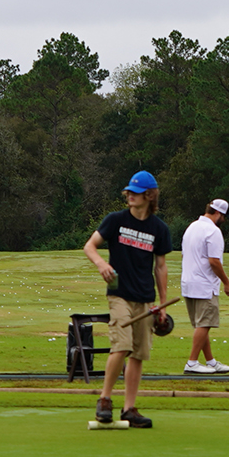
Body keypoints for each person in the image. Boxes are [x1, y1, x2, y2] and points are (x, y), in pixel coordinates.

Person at [82, 170, 172, 428]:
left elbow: (161, 267)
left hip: (144, 298)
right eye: (129, 192)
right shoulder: (115, 220)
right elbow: (90, 246)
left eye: (136, 192)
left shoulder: (159, 229)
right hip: (119, 293)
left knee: (138, 353)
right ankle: (104, 400)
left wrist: (162, 304)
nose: (130, 196)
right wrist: (101, 264)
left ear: (149, 196)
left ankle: (129, 409)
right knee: (121, 345)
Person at [181, 199, 229, 374]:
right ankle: (192, 362)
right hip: (204, 285)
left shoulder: (192, 227)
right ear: (218, 213)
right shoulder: (213, 231)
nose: (223, 220)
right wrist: (227, 283)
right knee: (204, 324)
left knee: (201, 325)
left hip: (188, 283)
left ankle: (211, 362)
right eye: (223, 217)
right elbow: (214, 261)